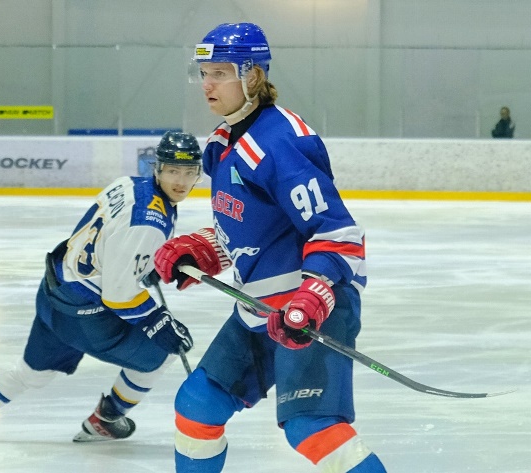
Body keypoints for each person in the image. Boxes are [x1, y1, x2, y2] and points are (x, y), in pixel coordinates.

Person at [154, 23, 387, 472]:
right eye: (204, 73)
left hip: (312, 305)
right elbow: (252, 229)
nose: (207, 85)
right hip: (259, 308)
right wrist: (204, 249)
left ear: (254, 76)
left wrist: (312, 297)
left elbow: (338, 234)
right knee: (198, 405)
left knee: (311, 427)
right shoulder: (222, 144)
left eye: (220, 73)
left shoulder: (282, 143)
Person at [0, 131, 203, 441]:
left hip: (54, 292)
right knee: (165, 350)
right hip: (88, 317)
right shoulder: (149, 221)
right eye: (173, 171)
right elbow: (119, 295)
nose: (181, 181)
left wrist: (147, 265)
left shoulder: (127, 184)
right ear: (158, 168)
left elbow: (103, 240)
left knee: (32, 373)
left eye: (189, 172)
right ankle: (105, 418)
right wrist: (157, 321)